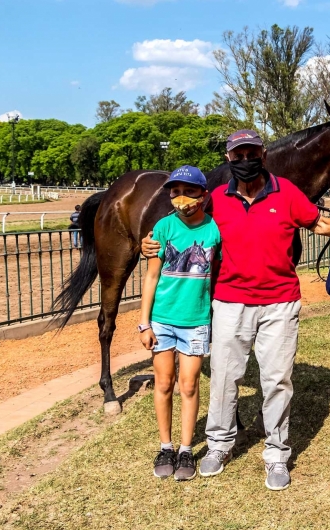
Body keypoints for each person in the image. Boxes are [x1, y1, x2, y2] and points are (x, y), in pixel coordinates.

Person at [141, 129, 330, 491]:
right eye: (237, 155)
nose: (245, 160)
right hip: (230, 302)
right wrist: (150, 242)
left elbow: (321, 224)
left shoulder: (287, 192)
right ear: (229, 159)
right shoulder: (216, 197)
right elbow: (183, 221)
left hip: (280, 303)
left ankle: (277, 454)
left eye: (251, 153)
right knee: (223, 378)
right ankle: (218, 445)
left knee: (277, 380)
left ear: (263, 155)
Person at [137, 165, 219, 481]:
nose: (181, 198)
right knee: (163, 382)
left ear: (204, 195)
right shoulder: (163, 228)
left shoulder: (214, 230)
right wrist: (144, 323)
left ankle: (186, 450)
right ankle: (166, 446)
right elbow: (151, 277)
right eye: (175, 192)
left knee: (189, 383)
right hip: (162, 320)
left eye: (188, 192)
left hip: (196, 321)